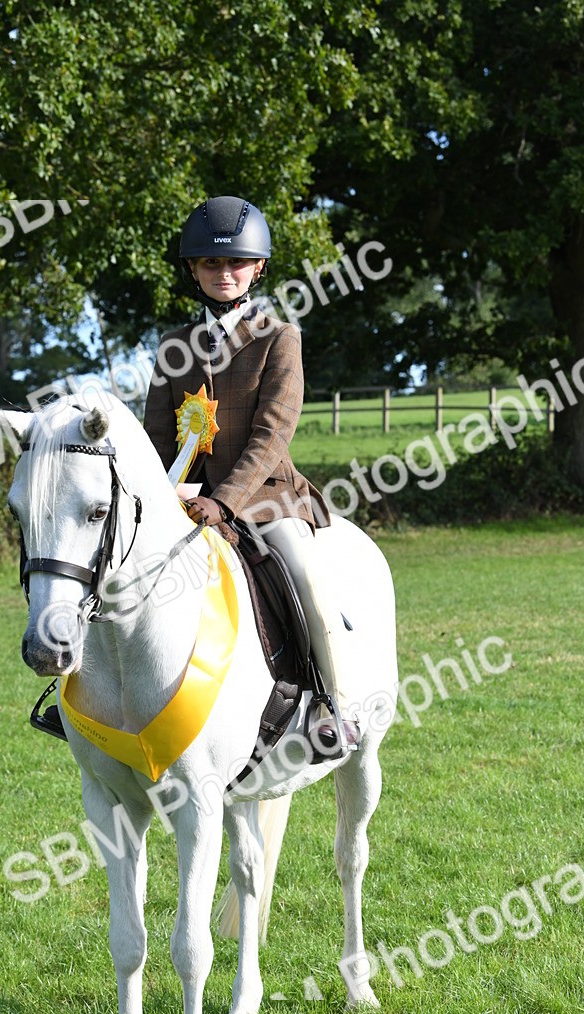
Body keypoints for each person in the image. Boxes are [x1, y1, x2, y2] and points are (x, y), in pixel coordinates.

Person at [143, 195, 357, 755]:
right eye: (211, 264)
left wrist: (226, 500)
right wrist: (164, 497)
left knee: (304, 578)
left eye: (236, 263)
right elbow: (158, 441)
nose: (224, 273)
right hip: (189, 501)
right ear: (193, 269)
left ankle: (333, 706)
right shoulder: (173, 347)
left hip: (267, 500)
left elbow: (272, 435)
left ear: (257, 268)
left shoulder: (279, 338)